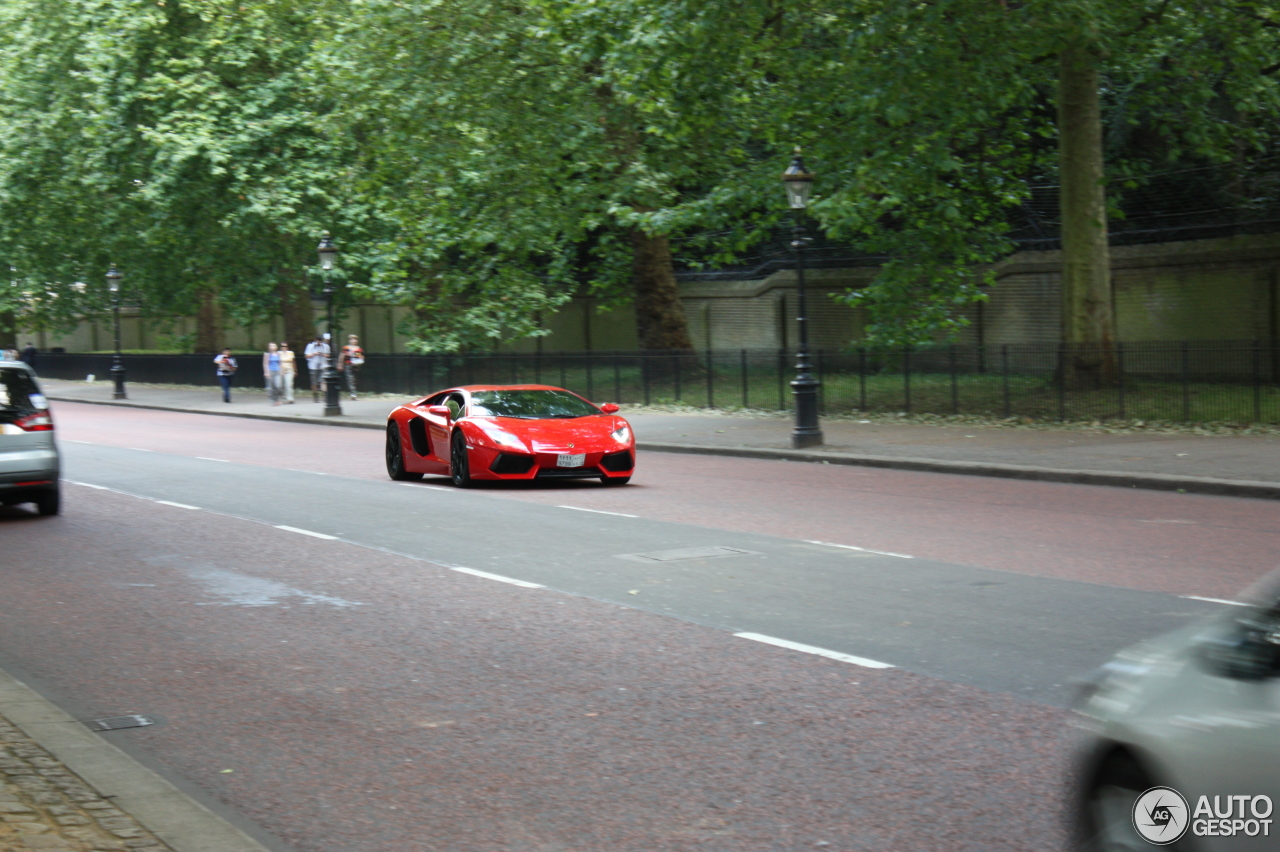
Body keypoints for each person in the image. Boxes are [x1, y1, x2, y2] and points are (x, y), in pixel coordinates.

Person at [338, 334, 365, 401]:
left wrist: (354, 355)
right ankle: (353, 394)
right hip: (348, 364)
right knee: (350, 379)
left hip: (356, 365)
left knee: (355, 379)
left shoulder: (359, 349)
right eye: (352, 339)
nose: (353, 340)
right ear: (349, 340)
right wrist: (340, 363)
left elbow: (361, 356)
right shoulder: (346, 348)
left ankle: (354, 392)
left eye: (355, 339)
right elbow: (342, 355)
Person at [303, 334, 329, 402]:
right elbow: (306, 356)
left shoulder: (325, 346)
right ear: (315, 340)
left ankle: (325, 396)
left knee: (323, 381)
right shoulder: (310, 346)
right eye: (318, 341)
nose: (319, 343)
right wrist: (314, 354)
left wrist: (323, 354)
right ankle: (315, 396)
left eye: (320, 341)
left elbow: (328, 355)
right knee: (314, 383)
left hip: (323, 365)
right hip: (313, 366)